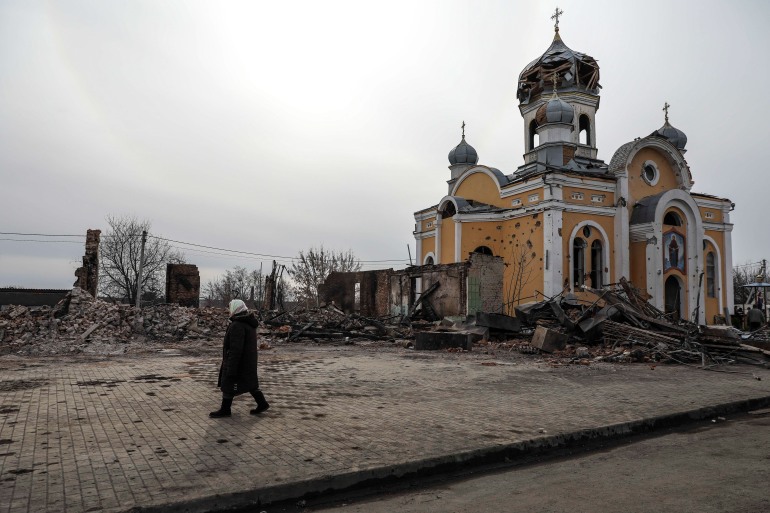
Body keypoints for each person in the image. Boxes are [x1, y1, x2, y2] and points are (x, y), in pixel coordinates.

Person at [209, 299, 270, 418]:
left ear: (235, 309)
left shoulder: (237, 325)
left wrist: (231, 368)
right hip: (248, 361)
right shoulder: (248, 323)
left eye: (230, 308)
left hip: (239, 362)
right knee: (250, 383)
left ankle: (225, 410)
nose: (228, 311)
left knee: (229, 384)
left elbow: (235, 349)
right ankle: (262, 403)